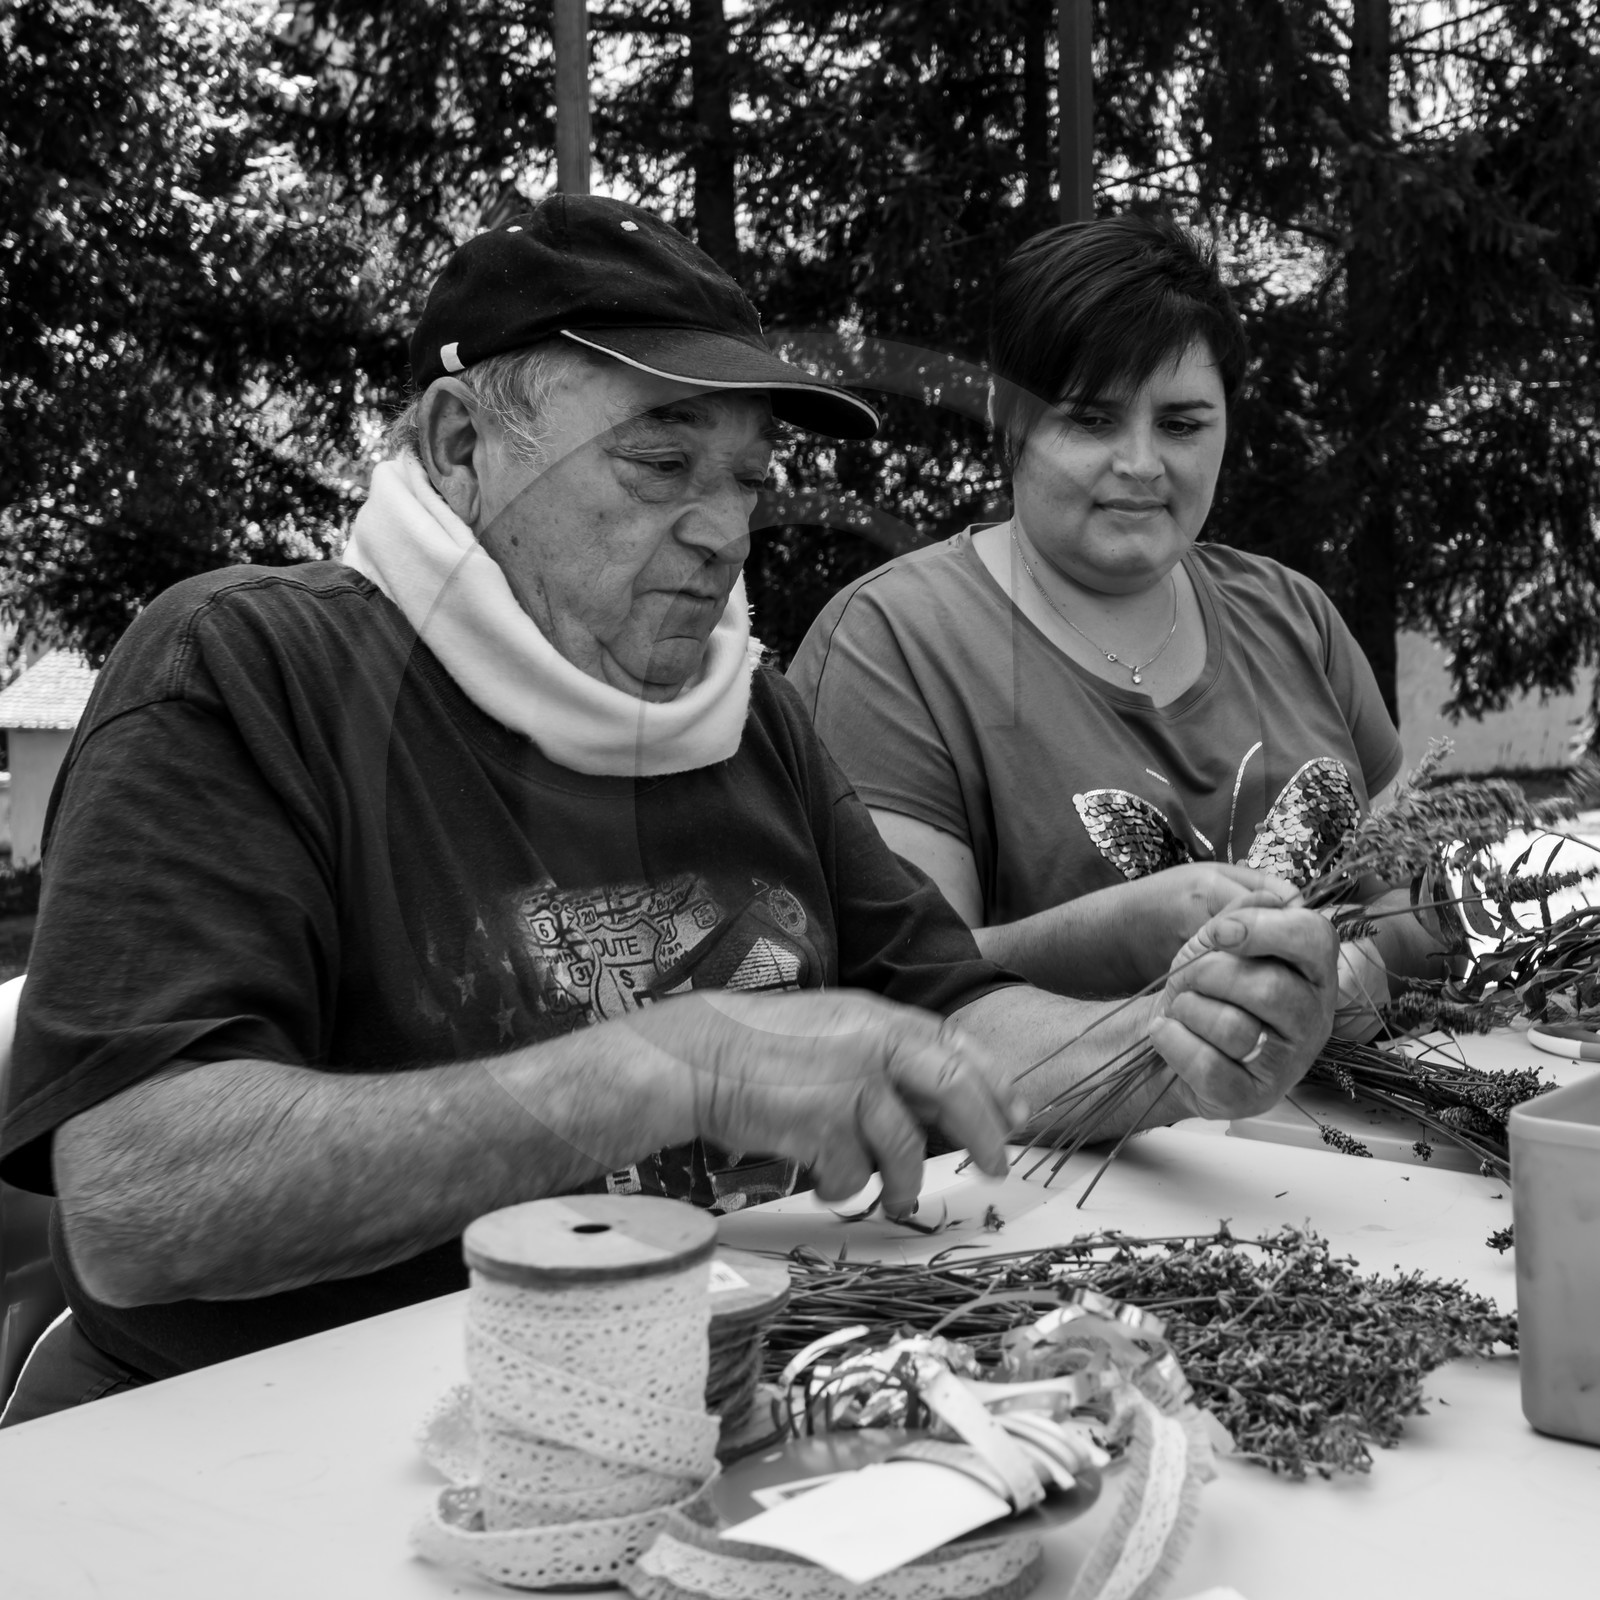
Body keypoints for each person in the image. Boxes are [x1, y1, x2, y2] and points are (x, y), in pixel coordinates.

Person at [0, 198, 1337, 1425]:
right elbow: (136, 1192)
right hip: (276, 1467)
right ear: (463, 446)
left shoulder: (748, 714)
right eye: (660, 461)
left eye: (747, 477)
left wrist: (1176, 1040)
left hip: (695, 1425)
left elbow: (954, 1017)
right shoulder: (244, 669)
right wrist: (666, 1067)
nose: (725, 530)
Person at [789, 214, 1450, 1028]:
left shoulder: (1293, 616)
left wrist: (1360, 973)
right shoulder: (893, 642)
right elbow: (907, 985)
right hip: (1055, 1150)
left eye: (1180, 424)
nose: (1141, 464)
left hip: (1349, 1145)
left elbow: (1423, 920)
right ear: (1012, 424)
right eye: (1092, 419)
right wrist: (1127, 934)